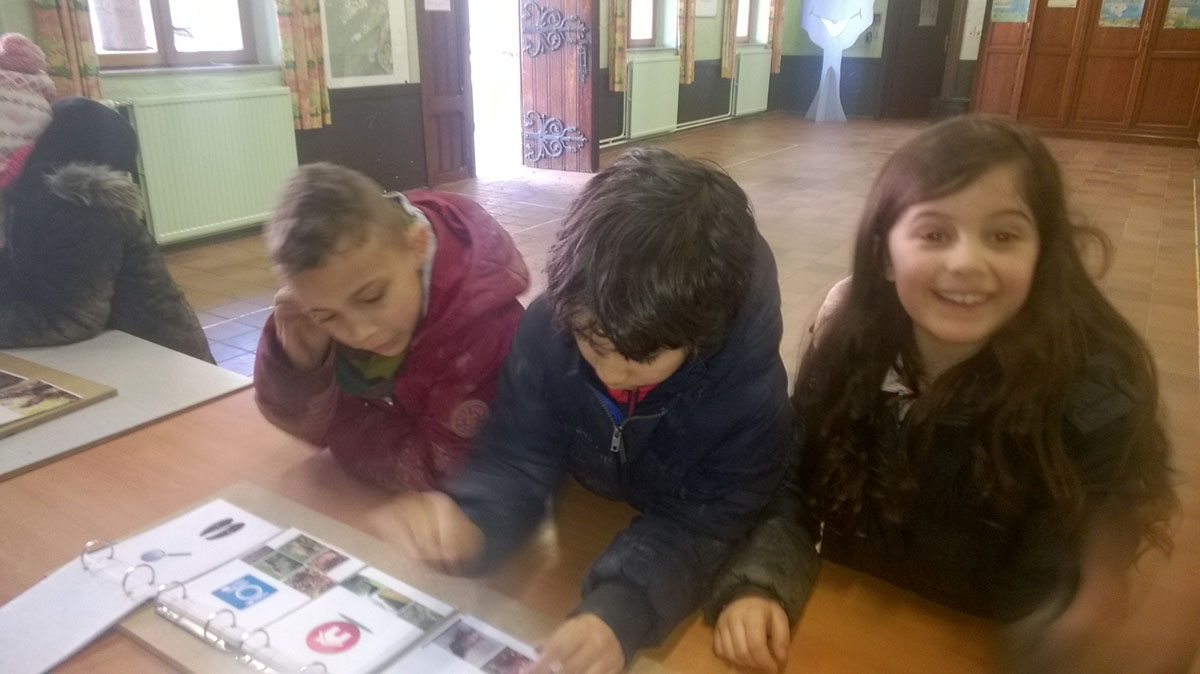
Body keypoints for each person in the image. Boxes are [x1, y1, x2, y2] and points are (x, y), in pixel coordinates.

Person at [707, 116, 1178, 673]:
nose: (966, 262)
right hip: (860, 627)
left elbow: (1062, 597)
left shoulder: (1083, 399)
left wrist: (1082, 629)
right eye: (934, 234)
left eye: (1003, 236)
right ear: (885, 256)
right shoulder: (846, 352)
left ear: (1042, 253)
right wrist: (760, 583)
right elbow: (793, 489)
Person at [381, 148, 791, 674]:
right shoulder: (548, 330)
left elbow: (704, 524)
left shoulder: (747, 395)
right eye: (592, 344)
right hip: (586, 527)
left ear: (704, 334)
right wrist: (476, 517)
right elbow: (516, 454)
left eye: (643, 358)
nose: (612, 374)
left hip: (671, 537)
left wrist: (622, 609)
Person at [253, 163, 529, 491]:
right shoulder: (334, 286)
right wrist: (301, 366)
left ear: (418, 245)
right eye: (327, 317)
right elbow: (302, 426)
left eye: (372, 297)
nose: (359, 333)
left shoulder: (485, 330)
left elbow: (440, 469)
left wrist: (340, 426)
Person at [0, 96, 213, 362]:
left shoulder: (85, 211)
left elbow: (72, 319)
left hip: (163, 362)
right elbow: (22, 276)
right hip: (112, 355)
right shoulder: (31, 199)